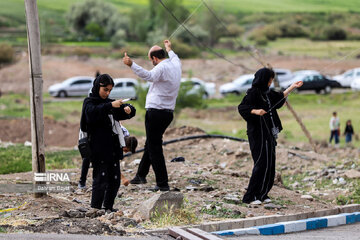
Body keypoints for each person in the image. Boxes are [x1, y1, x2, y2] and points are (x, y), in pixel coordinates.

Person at [122, 39, 181, 192]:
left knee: (154, 147)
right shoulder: (176, 63)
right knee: (151, 143)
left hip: (156, 112)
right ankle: (141, 175)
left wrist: (131, 65)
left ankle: (162, 183)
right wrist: (169, 48)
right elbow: (174, 55)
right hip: (168, 113)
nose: (152, 63)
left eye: (151, 60)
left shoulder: (160, 68)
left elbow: (148, 75)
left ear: (155, 58)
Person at [238, 68, 303, 205]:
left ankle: (263, 194)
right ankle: (250, 196)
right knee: (260, 164)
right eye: (269, 79)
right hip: (258, 134)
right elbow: (242, 107)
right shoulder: (253, 93)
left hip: (269, 133)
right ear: (264, 79)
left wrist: (292, 87)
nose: (271, 82)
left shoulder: (267, 93)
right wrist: (255, 111)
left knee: (270, 164)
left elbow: (279, 98)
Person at [80, 74, 136, 211]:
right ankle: (96, 208)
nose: (107, 93)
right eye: (105, 90)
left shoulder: (109, 103)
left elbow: (123, 110)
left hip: (113, 149)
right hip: (98, 149)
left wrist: (129, 109)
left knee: (115, 180)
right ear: (98, 86)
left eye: (110, 90)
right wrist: (110, 105)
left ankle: (108, 207)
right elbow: (91, 114)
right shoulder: (89, 102)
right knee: (100, 180)